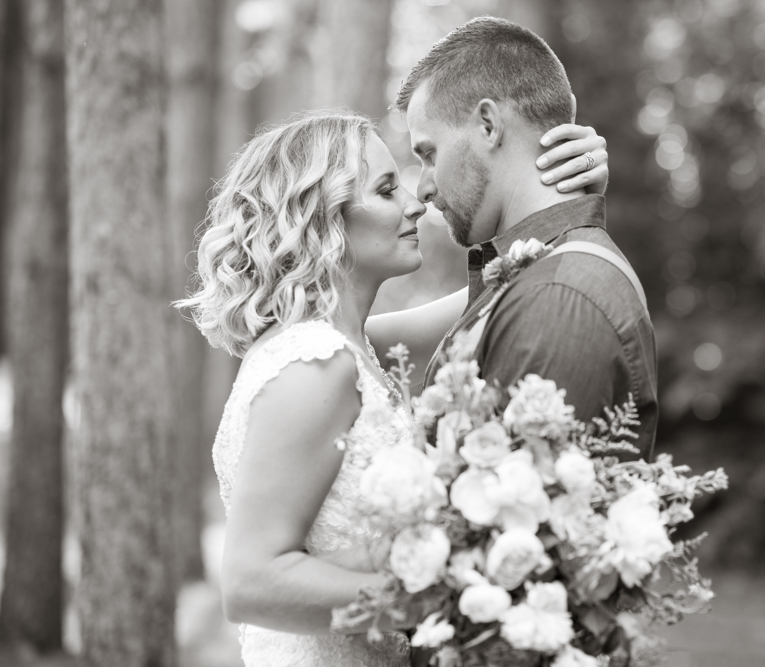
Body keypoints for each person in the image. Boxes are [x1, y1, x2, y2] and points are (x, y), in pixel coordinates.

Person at [175, 110, 609, 666]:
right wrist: (455, 591)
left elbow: (510, 284)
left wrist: (574, 199)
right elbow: (252, 584)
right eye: (386, 190)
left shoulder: (351, 348)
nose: (416, 203)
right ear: (322, 220)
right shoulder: (315, 366)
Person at [394, 16, 659, 460]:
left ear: (488, 125)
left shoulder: (558, 297)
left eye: (428, 153)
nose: (421, 188)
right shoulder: (533, 276)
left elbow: (513, 512)